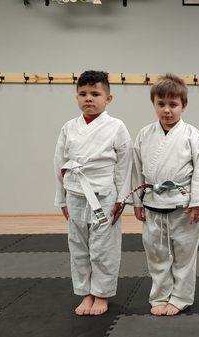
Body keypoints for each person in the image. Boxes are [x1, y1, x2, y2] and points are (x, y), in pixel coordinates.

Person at [54, 70, 133, 316]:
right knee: (78, 245)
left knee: (103, 247)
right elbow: (59, 164)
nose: (89, 98)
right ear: (76, 97)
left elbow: (124, 165)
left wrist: (122, 198)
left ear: (108, 99)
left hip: (104, 195)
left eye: (95, 93)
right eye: (83, 94)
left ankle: (101, 294)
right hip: (75, 193)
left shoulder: (117, 127)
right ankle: (85, 292)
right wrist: (61, 198)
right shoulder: (69, 127)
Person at [132, 74, 199, 316]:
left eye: (173, 104)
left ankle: (181, 297)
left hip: (182, 205)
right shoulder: (145, 134)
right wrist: (137, 202)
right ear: (154, 104)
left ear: (183, 105)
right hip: (153, 202)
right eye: (161, 104)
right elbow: (136, 170)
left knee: (184, 254)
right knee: (156, 254)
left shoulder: (192, 135)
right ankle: (160, 295)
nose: (167, 110)